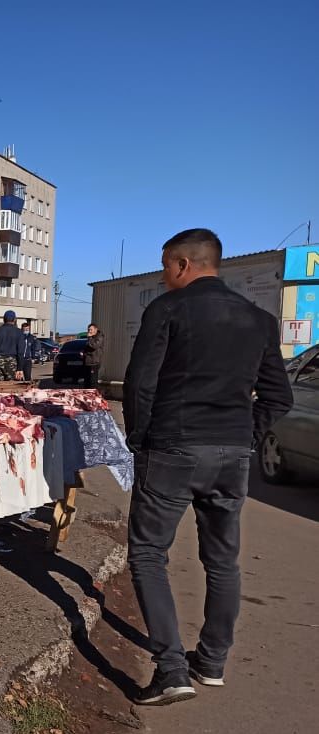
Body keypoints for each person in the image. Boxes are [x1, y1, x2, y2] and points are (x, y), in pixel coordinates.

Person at [123, 228, 292, 706]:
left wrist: (139, 438)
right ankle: (212, 662)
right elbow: (278, 395)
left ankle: (172, 668)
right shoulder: (259, 320)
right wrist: (246, 435)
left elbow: (140, 383)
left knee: (148, 554)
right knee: (222, 560)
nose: (163, 276)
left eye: (164, 267)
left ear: (182, 265)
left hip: (173, 448)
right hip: (232, 453)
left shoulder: (167, 310)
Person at [0, 310, 25, 381]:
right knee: (11, 386)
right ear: (14, 319)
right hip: (12, 361)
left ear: (3, 319)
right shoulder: (19, 332)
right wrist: (20, 368)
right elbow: (20, 352)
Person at [84, 323, 104, 387]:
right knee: (87, 382)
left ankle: (93, 395)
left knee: (93, 382)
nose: (89, 331)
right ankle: (87, 395)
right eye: (88, 330)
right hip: (88, 362)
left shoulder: (99, 337)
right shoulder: (91, 337)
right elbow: (87, 347)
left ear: (96, 329)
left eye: (91, 330)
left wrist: (89, 338)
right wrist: (83, 352)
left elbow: (94, 346)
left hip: (94, 362)